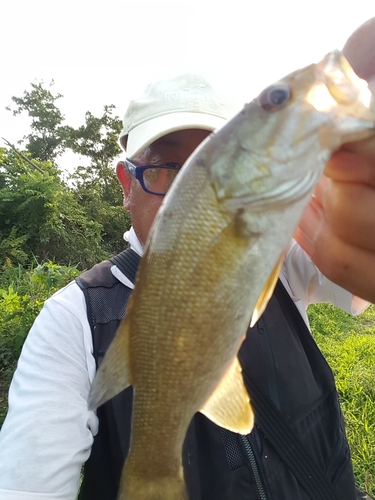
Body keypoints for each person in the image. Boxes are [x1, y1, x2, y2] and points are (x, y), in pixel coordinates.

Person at [0, 18, 374, 500]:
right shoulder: (72, 322)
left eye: (201, 165)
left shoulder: (289, 252)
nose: (183, 190)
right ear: (125, 183)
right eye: (162, 167)